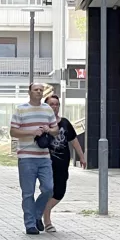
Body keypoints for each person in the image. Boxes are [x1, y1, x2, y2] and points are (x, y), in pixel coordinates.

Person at [9, 84, 58, 235]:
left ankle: (37, 214)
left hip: (44, 157)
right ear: (29, 92)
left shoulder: (47, 109)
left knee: (49, 188)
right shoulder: (21, 109)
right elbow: (13, 131)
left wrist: (49, 130)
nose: (39, 92)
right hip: (26, 157)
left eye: (41, 90)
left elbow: (56, 130)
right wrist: (32, 132)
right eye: (36, 90)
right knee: (28, 193)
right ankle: (30, 224)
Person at [41, 95, 86, 232]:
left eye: (56, 104)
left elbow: (74, 140)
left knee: (59, 192)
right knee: (48, 191)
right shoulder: (42, 123)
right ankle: (47, 221)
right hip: (46, 164)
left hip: (62, 164)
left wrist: (82, 156)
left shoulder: (65, 123)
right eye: (51, 104)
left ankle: (41, 211)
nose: (54, 107)